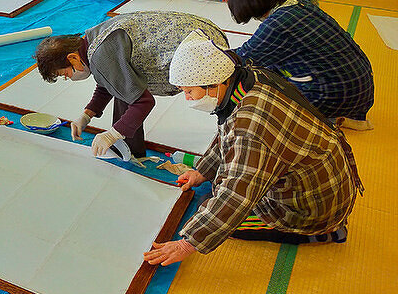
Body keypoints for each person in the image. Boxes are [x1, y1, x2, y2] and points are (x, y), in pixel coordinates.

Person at [143, 30, 364, 266]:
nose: (187, 98)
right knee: (212, 194)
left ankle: (320, 232)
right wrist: (202, 172)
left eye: (189, 91)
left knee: (211, 209)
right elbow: (227, 138)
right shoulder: (250, 80)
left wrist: (187, 243)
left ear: (215, 84)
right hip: (322, 179)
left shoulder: (250, 126)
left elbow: (237, 193)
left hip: (312, 208)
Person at [34, 11, 228, 159]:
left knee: (218, 98)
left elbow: (143, 102)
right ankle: (128, 148)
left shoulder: (100, 55)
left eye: (65, 74)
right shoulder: (92, 38)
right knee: (126, 91)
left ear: (72, 58)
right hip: (202, 31)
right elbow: (111, 81)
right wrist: (87, 114)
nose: (68, 78)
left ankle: (228, 145)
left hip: (203, 49)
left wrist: (112, 134)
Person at [228, 0, 374, 129]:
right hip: (360, 87)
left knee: (258, 99)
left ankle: (327, 118)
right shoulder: (299, 4)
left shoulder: (278, 23)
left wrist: (214, 52)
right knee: (271, 67)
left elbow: (243, 57)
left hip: (336, 93)